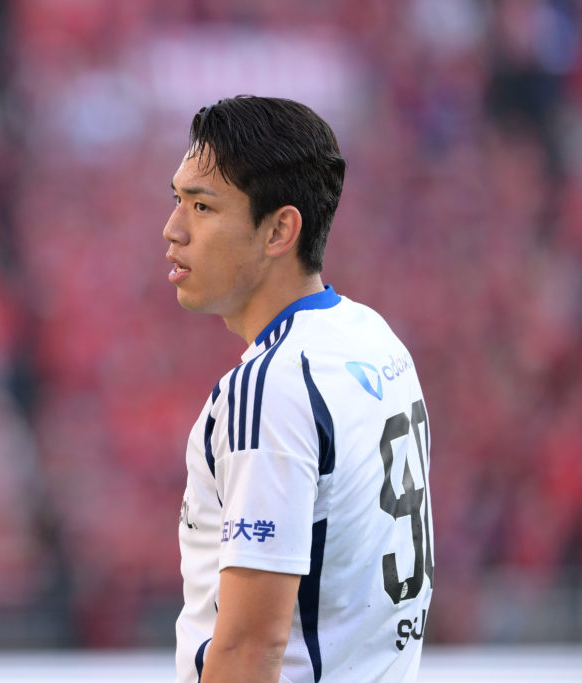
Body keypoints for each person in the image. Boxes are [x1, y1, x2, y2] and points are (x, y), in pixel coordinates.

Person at [166, 96, 433, 682]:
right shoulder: (373, 338)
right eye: (177, 200)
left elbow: (249, 649)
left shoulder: (272, 387)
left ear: (280, 230)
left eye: (202, 206)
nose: (173, 229)